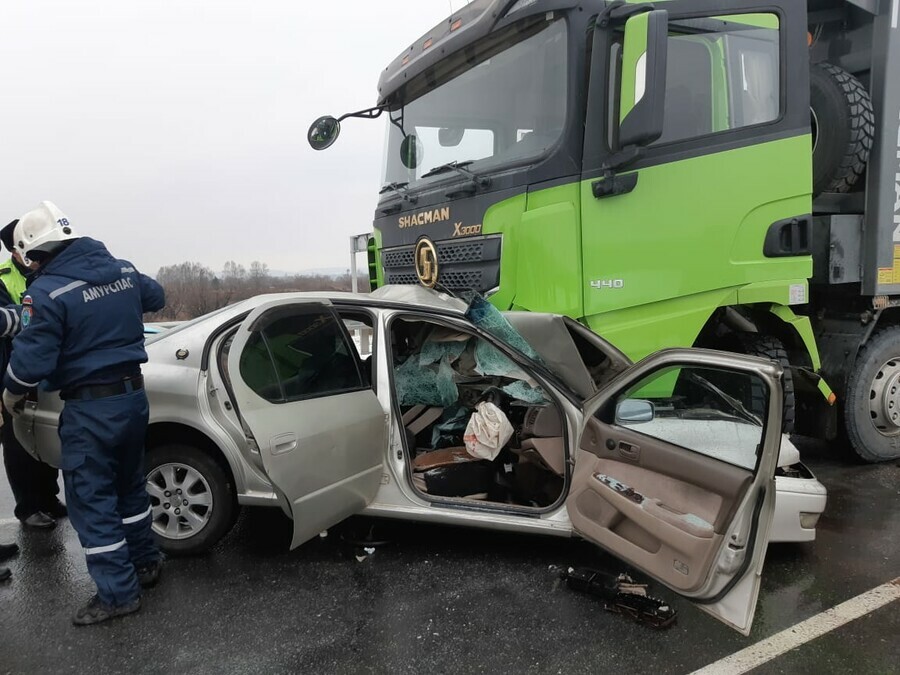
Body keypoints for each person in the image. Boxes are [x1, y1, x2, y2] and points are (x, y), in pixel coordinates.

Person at [1, 201, 166, 624]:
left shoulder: (46, 292)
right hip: (133, 398)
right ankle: (146, 563)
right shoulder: (123, 269)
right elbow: (157, 296)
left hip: (91, 409)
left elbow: (30, 361)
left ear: (35, 254)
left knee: (91, 501)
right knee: (130, 489)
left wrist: (9, 396)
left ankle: (117, 595)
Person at [0, 219, 66, 529]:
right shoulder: (3, 279)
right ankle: (28, 507)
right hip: (16, 372)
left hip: (50, 373)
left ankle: (49, 498)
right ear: (15, 250)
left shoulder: (49, 269)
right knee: (18, 445)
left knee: (46, 435)